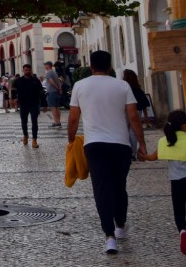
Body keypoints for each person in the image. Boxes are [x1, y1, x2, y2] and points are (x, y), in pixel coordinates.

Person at [68, 49, 148, 255]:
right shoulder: (122, 86)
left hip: (94, 145)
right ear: (110, 66)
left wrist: (70, 140)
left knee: (102, 189)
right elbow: (133, 117)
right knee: (119, 186)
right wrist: (142, 143)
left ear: (91, 66)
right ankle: (120, 225)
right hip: (120, 145)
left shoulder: (80, 86)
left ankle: (109, 237)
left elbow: (73, 118)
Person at [140, 109, 186, 254]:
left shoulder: (166, 141)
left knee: (179, 211)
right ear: (183, 125)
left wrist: (143, 156)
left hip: (177, 182)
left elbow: (153, 157)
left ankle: (183, 231)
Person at [11, 64, 44, 147]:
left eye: (29, 70)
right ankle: (25, 135)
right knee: (24, 122)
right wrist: (14, 98)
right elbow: (13, 90)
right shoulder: (18, 81)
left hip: (34, 104)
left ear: (31, 70)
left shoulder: (36, 80)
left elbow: (41, 92)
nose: (27, 71)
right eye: (26, 70)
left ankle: (34, 140)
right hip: (23, 104)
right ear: (23, 70)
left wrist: (44, 104)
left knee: (34, 122)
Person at [43, 61, 63, 128]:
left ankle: (56, 122)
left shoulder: (48, 73)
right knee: (57, 107)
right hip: (56, 92)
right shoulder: (54, 72)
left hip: (52, 92)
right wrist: (59, 89)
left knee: (53, 108)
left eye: (45, 65)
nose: (44, 67)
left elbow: (52, 82)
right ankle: (59, 121)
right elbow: (58, 81)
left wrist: (57, 88)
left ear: (48, 65)